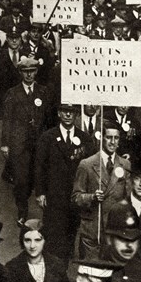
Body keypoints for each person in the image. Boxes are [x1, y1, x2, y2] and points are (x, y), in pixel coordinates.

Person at [34, 103, 93, 261]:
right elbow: (39, 166)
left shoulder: (84, 138)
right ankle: (52, 270)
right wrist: (40, 192)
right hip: (54, 194)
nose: (68, 115)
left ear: (76, 115)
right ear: (59, 113)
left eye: (71, 112)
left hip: (75, 195)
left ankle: (64, 268)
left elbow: (91, 166)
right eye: (65, 111)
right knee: (53, 234)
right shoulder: (48, 137)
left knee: (70, 232)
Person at [72, 120, 131, 259]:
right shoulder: (87, 164)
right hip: (92, 230)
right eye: (108, 137)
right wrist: (91, 197)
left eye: (116, 138)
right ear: (101, 139)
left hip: (114, 230)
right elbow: (76, 197)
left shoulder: (125, 164)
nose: (112, 142)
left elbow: (128, 198)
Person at [1, 57, 50, 223]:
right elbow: (7, 119)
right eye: (26, 72)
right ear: (21, 72)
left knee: (38, 178)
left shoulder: (43, 92)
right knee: (21, 181)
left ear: (36, 72)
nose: (29, 75)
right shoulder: (13, 93)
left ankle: (45, 214)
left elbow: (48, 119)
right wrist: (5, 144)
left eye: (32, 71)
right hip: (19, 144)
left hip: (39, 144)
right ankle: (22, 212)